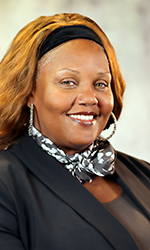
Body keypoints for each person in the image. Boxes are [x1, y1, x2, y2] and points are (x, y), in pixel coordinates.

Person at [0, 13, 149, 250]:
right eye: (68, 82)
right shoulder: (5, 181)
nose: (90, 98)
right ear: (29, 91)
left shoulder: (144, 173)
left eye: (100, 84)